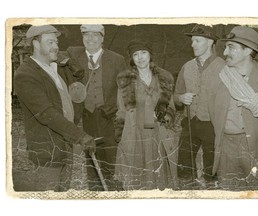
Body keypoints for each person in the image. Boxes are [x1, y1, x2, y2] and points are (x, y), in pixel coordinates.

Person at [13, 25, 96, 192]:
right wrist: (79, 135)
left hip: (65, 148)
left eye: (56, 42)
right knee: (47, 199)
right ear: (36, 44)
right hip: (47, 152)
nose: (56, 47)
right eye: (50, 42)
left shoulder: (53, 68)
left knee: (62, 198)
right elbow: (46, 113)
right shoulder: (26, 74)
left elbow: (70, 99)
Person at [208, 26, 258, 190]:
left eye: (231, 47)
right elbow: (213, 112)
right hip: (226, 148)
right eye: (226, 47)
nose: (225, 52)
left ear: (248, 51)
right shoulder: (220, 78)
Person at [63, 24, 127, 190]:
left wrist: (121, 113)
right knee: (91, 156)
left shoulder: (117, 59)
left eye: (95, 35)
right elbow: (56, 54)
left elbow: (126, 90)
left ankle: (115, 193)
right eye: (86, 36)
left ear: (102, 38)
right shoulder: (73, 54)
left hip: (110, 116)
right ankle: (95, 193)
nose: (90, 39)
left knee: (112, 157)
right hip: (87, 115)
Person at [113, 39, 179, 190]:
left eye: (143, 53)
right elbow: (121, 110)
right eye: (136, 54)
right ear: (132, 58)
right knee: (137, 171)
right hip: (136, 133)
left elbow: (171, 107)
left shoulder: (164, 78)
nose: (140, 57)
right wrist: (120, 136)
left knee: (160, 171)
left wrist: (162, 116)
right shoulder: (126, 81)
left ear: (150, 55)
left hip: (158, 132)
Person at [174, 25, 225, 189]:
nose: (192, 44)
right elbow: (176, 96)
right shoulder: (187, 66)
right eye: (192, 41)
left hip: (213, 125)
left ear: (210, 42)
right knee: (184, 167)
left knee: (212, 170)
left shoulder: (224, 67)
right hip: (190, 123)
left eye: (197, 41)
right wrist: (181, 97)